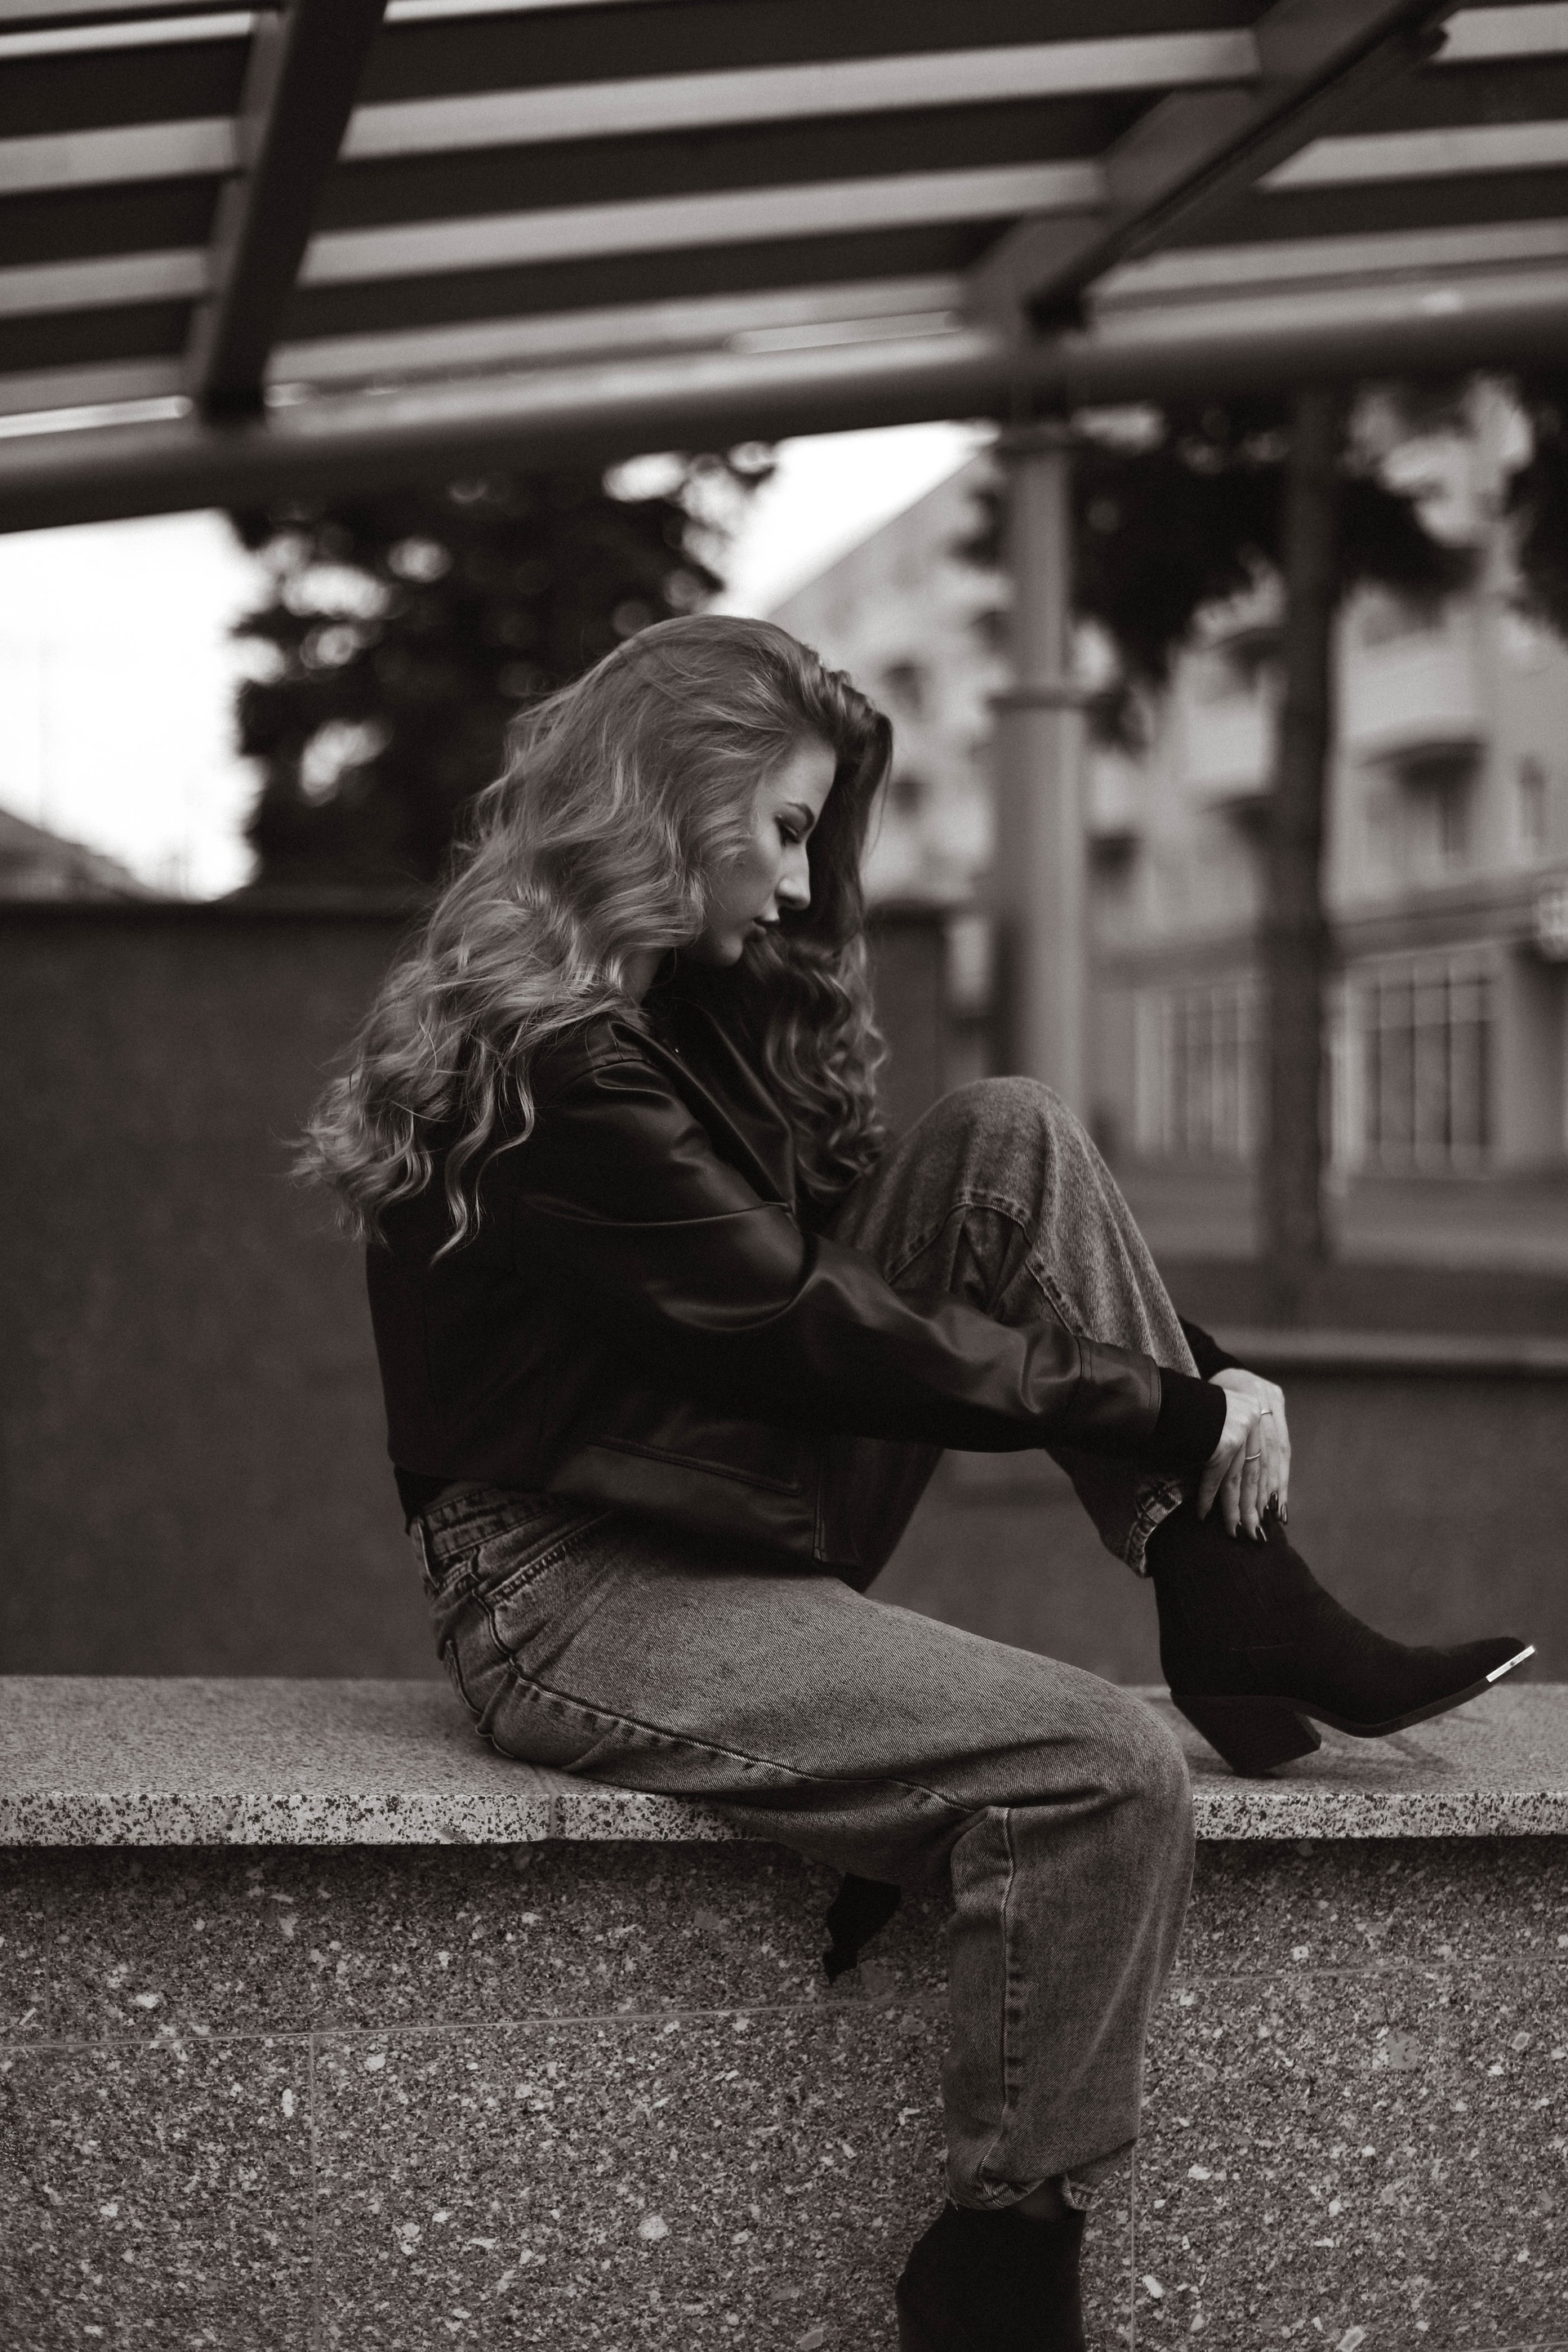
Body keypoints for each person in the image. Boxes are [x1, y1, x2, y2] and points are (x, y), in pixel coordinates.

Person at [302, 615, 1530, 2352]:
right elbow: (803, 1324)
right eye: (786, 829)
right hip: (571, 1589)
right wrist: (1174, 1414)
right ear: (674, 800)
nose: (806, 887)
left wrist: (1204, 1379)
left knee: (1005, 1130)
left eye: (819, 838)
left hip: (719, 1505)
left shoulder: (677, 1021)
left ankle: (1233, 1594)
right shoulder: (559, 1061)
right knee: (1103, 1765)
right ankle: (999, 2257)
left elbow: (931, 1247)